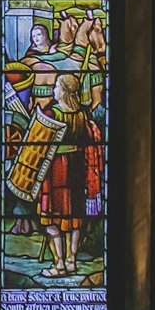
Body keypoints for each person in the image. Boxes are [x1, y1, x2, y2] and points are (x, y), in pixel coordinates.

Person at [32, 71, 103, 277]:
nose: (54, 90)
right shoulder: (82, 115)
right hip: (76, 170)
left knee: (52, 220)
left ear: (64, 92)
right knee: (74, 219)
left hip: (55, 170)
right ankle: (71, 260)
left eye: (57, 87)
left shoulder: (52, 114)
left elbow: (39, 140)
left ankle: (59, 264)